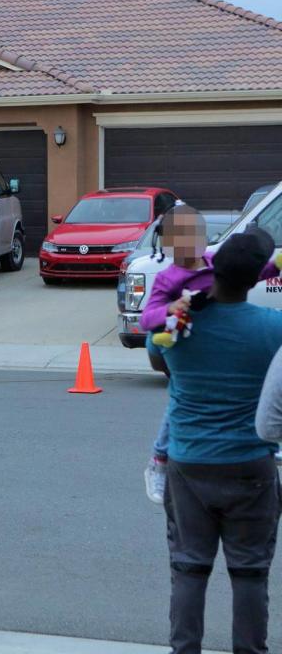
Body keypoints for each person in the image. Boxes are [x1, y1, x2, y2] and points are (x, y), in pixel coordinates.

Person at [146, 227, 282, 654]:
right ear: (257, 277)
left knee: (188, 569)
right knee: (250, 573)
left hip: (189, 463)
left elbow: (155, 350)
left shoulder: (178, 327)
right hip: (251, 464)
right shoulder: (273, 328)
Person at [140, 207, 281, 504]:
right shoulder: (168, 279)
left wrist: (276, 266)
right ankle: (158, 460)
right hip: (181, 328)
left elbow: (248, 272)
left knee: (183, 396)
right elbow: (147, 319)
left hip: (209, 325)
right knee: (177, 402)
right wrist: (170, 309)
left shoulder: (213, 261)